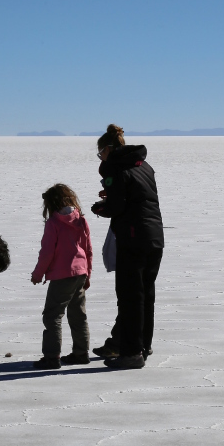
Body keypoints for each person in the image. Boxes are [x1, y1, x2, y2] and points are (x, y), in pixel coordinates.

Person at [90, 124, 164, 369]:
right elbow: (137, 198)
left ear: (108, 149)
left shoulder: (115, 167)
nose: (100, 158)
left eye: (100, 153)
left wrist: (101, 208)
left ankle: (131, 353)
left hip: (132, 239)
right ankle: (143, 345)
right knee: (146, 294)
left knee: (130, 296)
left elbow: (118, 207)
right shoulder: (144, 166)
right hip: (154, 237)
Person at [30, 184, 93, 370]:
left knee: (53, 315)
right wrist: (87, 273)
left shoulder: (54, 223)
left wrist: (38, 274)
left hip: (62, 276)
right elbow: (88, 249)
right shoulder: (80, 219)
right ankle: (81, 353)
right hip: (80, 272)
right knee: (78, 315)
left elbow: (47, 252)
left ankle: (51, 357)